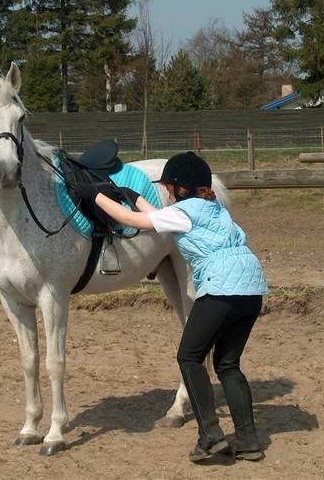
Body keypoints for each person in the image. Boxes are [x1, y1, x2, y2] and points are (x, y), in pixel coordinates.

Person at [75, 151, 268, 463]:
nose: (166, 193)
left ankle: (210, 436)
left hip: (220, 290)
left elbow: (131, 220)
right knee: (228, 365)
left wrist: (95, 195)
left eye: (168, 189)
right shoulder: (213, 207)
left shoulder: (183, 211)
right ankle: (248, 440)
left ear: (181, 189)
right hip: (251, 291)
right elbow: (158, 218)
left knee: (189, 357)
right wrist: (131, 193)